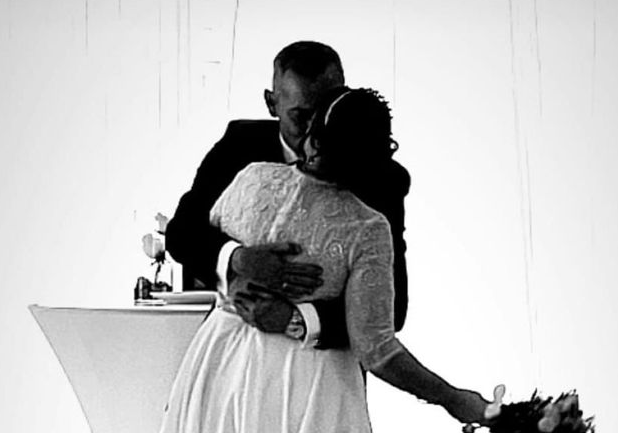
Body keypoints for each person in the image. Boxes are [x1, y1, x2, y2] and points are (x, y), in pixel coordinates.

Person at [159, 88, 491, 433]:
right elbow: (376, 349)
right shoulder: (366, 227)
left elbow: (197, 243)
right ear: (379, 153)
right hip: (309, 383)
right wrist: (451, 397)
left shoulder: (252, 178)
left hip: (219, 362)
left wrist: (286, 313)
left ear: (313, 136)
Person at [165, 41, 410, 348]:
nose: (317, 130)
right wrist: (238, 260)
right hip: (232, 353)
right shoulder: (239, 147)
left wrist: (297, 319)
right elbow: (182, 234)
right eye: (302, 116)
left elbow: (391, 309)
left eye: (326, 112)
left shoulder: (381, 176)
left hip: (325, 369)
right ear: (272, 103)